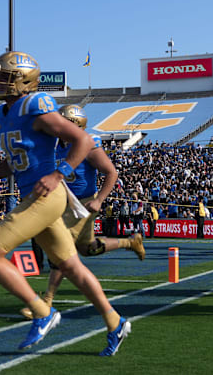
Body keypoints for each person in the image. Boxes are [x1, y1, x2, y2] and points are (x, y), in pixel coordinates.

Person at [0, 51, 129, 355]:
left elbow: (84, 141)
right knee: (71, 266)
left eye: (4, 76)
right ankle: (115, 321)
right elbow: (16, 161)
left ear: (23, 81)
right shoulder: (1, 115)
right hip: (35, 195)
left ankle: (42, 312)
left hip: (46, 196)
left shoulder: (34, 105)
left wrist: (58, 173)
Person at [19, 104, 145, 319]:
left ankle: (45, 302)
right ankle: (130, 242)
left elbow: (111, 172)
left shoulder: (88, 144)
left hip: (83, 204)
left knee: (62, 249)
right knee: (87, 248)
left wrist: (99, 200)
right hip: (62, 202)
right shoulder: (56, 145)